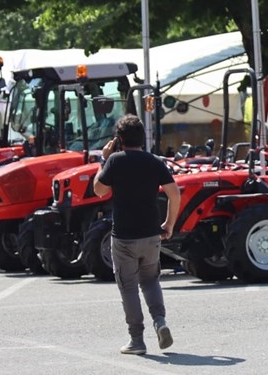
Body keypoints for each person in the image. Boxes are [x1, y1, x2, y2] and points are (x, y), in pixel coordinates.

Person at [93, 114, 181, 355]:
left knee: (129, 287)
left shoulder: (115, 161)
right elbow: (175, 194)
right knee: (151, 281)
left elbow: (99, 190)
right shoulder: (154, 162)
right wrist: (169, 224)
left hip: (124, 237)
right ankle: (160, 321)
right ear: (142, 137)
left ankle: (137, 340)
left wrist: (103, 159)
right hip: (151, 235)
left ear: (119, 140)